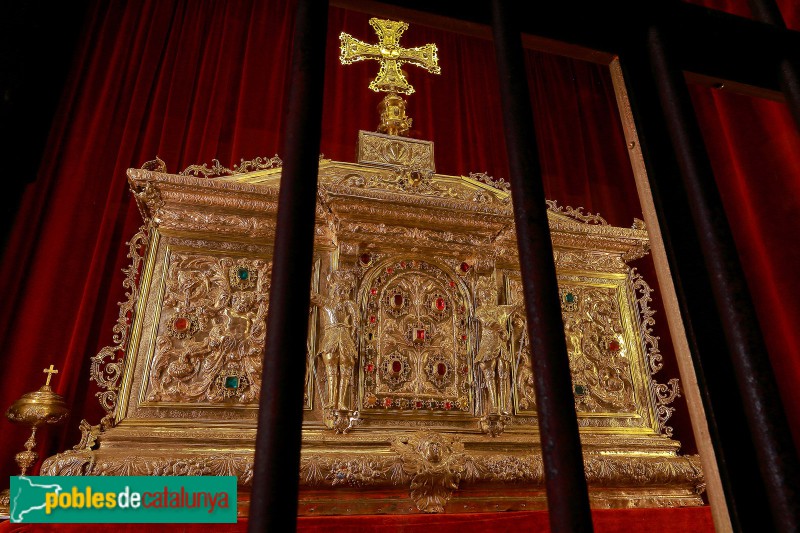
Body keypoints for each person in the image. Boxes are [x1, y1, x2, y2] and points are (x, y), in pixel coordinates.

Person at [310, 270, 358, 411]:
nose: (342, 293)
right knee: (330, 366)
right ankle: (331, 400)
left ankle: (342, 402)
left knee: (346, 369)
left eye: (345, 290)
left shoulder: (350, 305)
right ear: (334, 290)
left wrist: (354, 333)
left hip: (345, 338)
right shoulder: (327, 303)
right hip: (331, 338)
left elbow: (356, 321)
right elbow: (312, 296)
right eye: (340, 290)